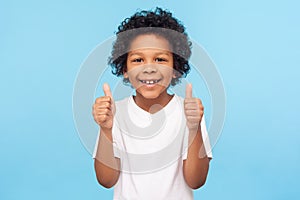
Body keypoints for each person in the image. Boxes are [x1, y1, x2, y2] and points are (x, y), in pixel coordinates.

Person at [92, 7, 212, 200]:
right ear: (124, 69)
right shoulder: (114, 113)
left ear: (175, 68)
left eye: (160, 59)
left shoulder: (189, 112)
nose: (149, 68)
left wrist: (194, 128)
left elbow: (196, 181)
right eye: (138, 59)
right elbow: (106, 180)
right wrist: (106, 130)